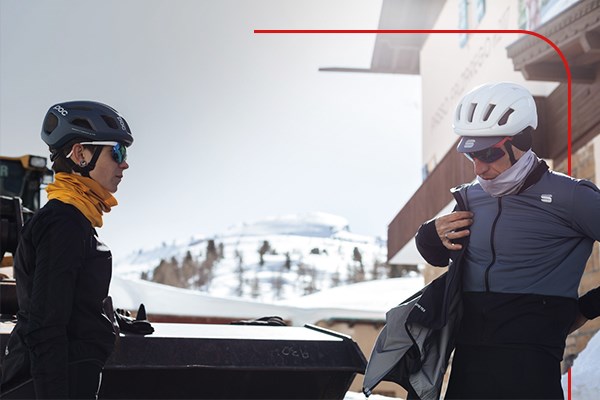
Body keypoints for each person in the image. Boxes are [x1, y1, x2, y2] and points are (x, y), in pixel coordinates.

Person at [415, 82, 600, 399]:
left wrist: (588, 306)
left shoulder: (572, 197)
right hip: (469, 355)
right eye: (472, 155)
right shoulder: (470, 198)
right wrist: (429, 234)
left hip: (530, 359)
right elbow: (438, 255)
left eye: (489, 154)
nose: (480, 167)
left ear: (523, 141)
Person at [0, 101, 133, 399]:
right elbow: (45, 325)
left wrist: (108, 318)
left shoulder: (76, 219)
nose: (124, 163)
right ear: (80, 154)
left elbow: (67, 303)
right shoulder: (63, 222)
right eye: (117, 151)